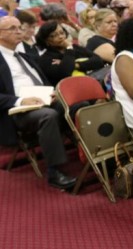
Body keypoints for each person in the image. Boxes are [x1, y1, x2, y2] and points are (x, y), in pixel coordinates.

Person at [0, 16, 76, 189]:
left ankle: (88, 152)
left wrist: (52, 92)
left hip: (41, 100)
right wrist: (20, 100)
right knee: (48, 116)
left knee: (74, 104)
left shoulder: (26, 56)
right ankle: (55, 172)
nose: (19, 31)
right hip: (17, 110)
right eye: (12, 28)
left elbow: (42, 80)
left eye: (19, 27)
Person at [36, 22, 105, 86]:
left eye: (62, 33)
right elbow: (65, 73)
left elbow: (98, 61)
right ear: (46, 41)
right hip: (69, 90)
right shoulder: (45, 59)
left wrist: (75, 65)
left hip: (91, 82)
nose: (60, 37)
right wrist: (69, 49)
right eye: (53, 35)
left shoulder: (75, 48)